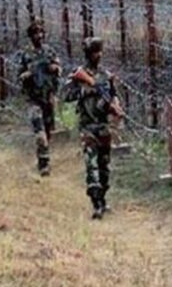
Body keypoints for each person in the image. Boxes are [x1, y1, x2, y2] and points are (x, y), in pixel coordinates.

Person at [62, 37, 123, 219]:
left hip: (103, 126)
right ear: (88, 54)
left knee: (104, 166)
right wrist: (86, 89)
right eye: (95, 52)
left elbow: (113, 95)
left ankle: (102, 200)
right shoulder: (79, 74)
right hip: (87, 126)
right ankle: (96, 204)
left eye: (100, 51)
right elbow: (66, 95)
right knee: (91, 165)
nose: (99, 55)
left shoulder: (106, 75)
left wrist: (115, 107)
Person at [18, 19, 62, 176]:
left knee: (48, 132)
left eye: (41, 32)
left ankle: (43, 158)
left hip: (48, 97)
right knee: (40, 133)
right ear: (31, 36)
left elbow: (59, 69)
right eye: (36, 33)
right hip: (33, 99)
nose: (39, 36)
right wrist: (27, 74)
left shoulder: (49, 52)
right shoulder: (26, 55)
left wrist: (54, 68)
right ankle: (44, 164)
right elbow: (19, 76)